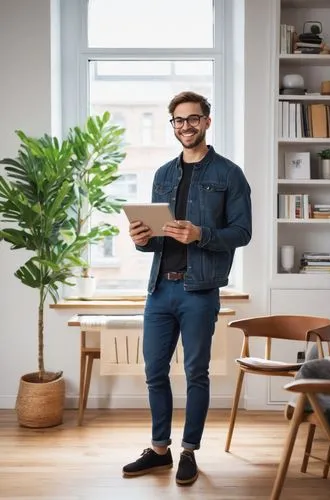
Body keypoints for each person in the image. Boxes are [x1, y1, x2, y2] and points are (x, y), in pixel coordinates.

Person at [122, 91, 252, 485]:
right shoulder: (163, 174)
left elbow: (242, 232)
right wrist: (141, 238)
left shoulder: (228, 174)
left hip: (200, 291)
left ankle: (189, 452)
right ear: (173, 125)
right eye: (178, 121)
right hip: (160, 289)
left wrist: (201, 234)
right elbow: (156, 238)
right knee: (154, 371)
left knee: (196, 373)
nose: (185, 126)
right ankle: (159, 449)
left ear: (207, 122)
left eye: (193, 119)